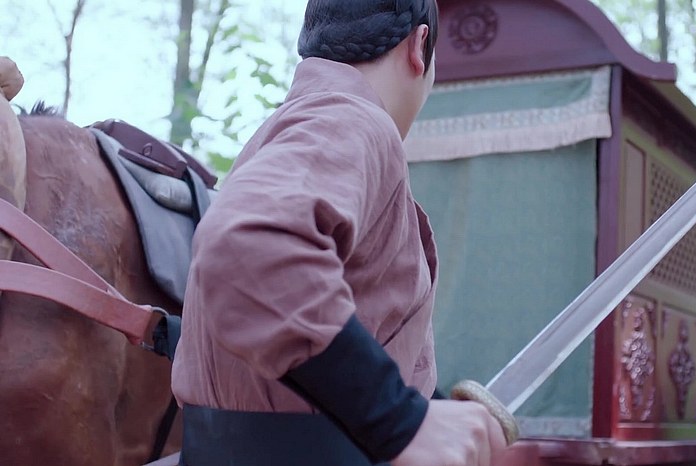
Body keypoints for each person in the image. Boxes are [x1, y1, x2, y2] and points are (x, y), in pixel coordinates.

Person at [170, 1, 508, 464]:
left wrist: (428, 412)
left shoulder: (284, 128)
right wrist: (397, 419)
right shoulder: (350, 118)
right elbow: (245, 244)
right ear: (419, 46)